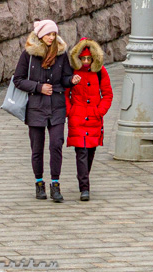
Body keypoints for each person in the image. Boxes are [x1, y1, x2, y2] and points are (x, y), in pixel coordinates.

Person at [12, 20, 78, 203]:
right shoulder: (29, 54)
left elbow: (65, 78)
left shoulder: (61, 53)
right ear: (40, 34)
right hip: (36, 106)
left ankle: (55, 185)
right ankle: (39, 183)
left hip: (57, 106)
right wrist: (38, 87)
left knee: (56, 144)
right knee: (37, 148)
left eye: (54, 34)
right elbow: (18, 80)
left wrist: (71, 80)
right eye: (48, 34)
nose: (51, 37)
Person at [66, 37, 112, 202]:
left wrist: (100, 111)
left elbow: (107, 94)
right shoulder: (72, 71)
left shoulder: (100, 71)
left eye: (88, 59)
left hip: (94, 117)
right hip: (77, 117)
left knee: (90, 151)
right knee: (81, 152)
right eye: (83, 59)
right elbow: (65, 93)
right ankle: (84, 188)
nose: (85, 62)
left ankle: (83, 177)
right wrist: (70, 111)